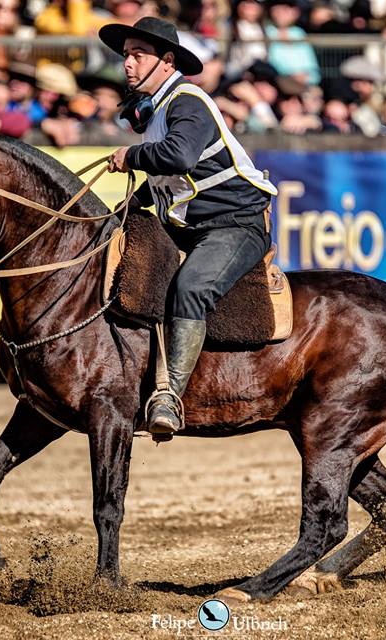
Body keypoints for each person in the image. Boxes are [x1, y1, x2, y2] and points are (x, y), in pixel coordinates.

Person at [98, 16, 278, 437]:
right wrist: (126, 206)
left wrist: (132, 156)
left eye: (137, 55)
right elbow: (172, 182)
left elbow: (178, 157)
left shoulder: (186, 100)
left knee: (192, 287)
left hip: (235, 224)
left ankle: (168, 396)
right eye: (126, 55)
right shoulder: (158, 109)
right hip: (193, 227)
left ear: (166, 61)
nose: (127, 63)